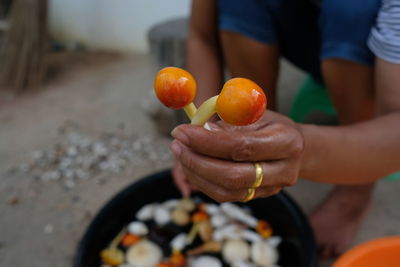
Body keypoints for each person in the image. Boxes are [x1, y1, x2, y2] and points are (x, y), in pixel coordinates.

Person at [170, 0, 400, 259]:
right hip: (305, 27)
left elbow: (396, 120)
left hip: (373, 48)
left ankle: (355, 192)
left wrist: (307, 151)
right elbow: (201, 35)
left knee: (349, 9)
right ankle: (252, 134)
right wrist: (203, 133)